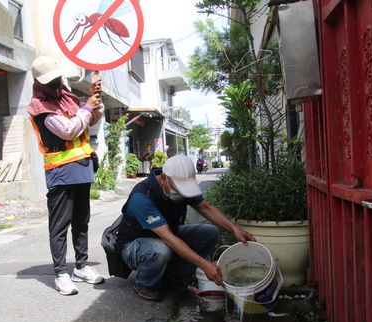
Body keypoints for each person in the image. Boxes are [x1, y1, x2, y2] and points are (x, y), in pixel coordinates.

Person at [116, 155, 255, 301]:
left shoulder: (180, 188)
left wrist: (234, 229)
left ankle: (174, 276)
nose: (182, 193)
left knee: (209, 233)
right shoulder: (142, 197)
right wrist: (205, 264)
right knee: (161, 250)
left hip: (164, 235)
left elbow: (206, 208)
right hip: (134, 246)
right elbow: (168, 238)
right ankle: (144, 284)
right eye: (179, 189)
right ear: (163, 178)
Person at [27, 55, 105, 296]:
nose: (55, 84)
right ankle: (61, 273)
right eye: (49, 82)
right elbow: (69, 130)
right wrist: (87, 107)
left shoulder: (67, 97)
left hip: (82, 168)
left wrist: (96, 101)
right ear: (39, 83)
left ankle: (80, 267)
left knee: (81, 222)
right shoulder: (40, 108)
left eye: (56, 79)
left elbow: (90, 120)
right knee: (60, 225)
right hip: (60, 173)